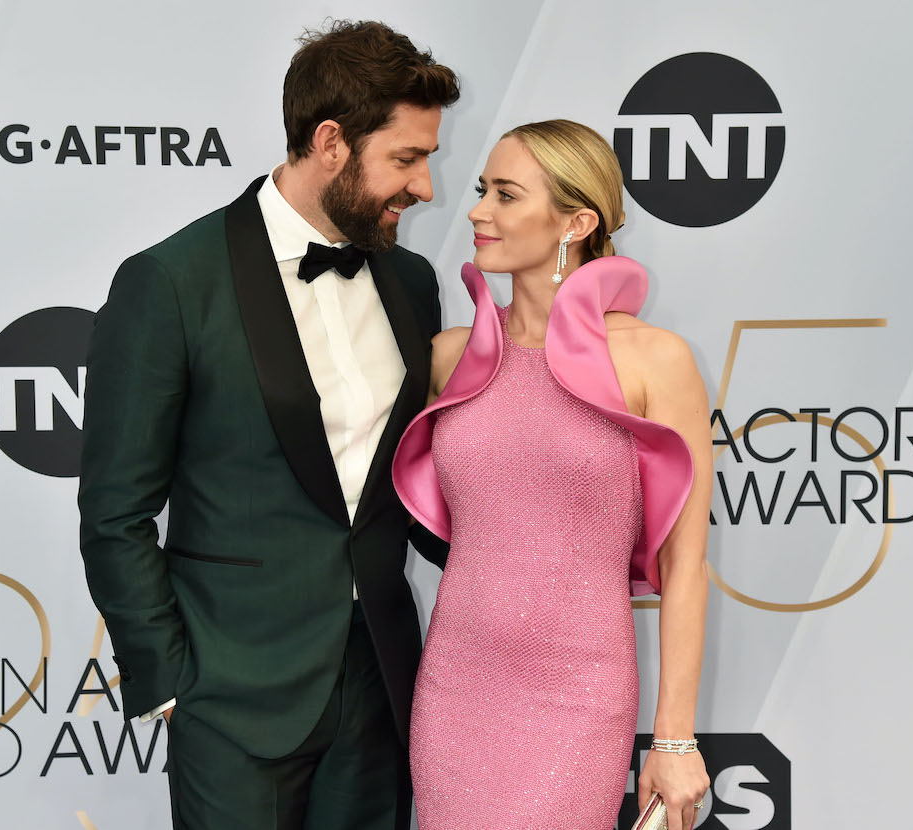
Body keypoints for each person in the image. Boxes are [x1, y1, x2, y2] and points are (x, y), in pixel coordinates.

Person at [77, 21, 458, 830]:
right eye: (406, 158)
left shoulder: (413, 282)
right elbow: (115, 512)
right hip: (232, 696)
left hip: (381, 684)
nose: (426, 187)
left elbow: (420, 480)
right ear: (330, 142)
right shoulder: (172, 282)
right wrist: (174, 685)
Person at [393, 120, 712, 830]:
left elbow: (684, 564)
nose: (476, 211)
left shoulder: (656, 360)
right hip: (455, 688)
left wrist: (673, 738)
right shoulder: (450, 355)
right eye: (482, 191)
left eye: (505, 195)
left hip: (576, 695)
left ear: (576, 221)